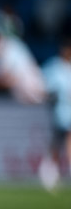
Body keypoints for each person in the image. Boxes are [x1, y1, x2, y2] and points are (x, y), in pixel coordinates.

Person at [38, 35, 71, 191]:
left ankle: (52, 173)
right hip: (60, 114)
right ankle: (49, 172)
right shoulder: (54, 68)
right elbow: (43, 87)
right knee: (56, 147)